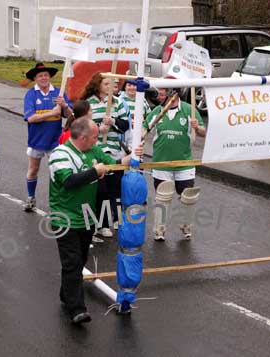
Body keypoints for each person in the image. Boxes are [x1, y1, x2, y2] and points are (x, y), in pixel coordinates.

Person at [48, 118, 143, 324]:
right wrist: (95, 172)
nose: (96, 140)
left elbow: (112, 165)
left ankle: (66, 294)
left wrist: (131, 157)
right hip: (65, 218)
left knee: (80, 261)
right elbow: (69, 181)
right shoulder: (60, 154)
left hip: (87, 217)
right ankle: (77, 309)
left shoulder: (94, 151)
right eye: (94, 137)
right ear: (82, 137)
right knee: (72, 263)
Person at [142, 87, 206, 241]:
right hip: (161, 163)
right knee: (163, 196)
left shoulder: (188, 110)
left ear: (174, 93)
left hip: (184, 163)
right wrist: (140, 139)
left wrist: (197, 126)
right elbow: (145, 128)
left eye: (163, 91)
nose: (160, 94)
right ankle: (159, 229)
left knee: (188, 197)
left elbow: (203, 132)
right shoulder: (157, 111)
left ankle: (186, 224)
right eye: (160, 91)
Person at [80, 72, 129, 239]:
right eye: (106, 84)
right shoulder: (89, 103)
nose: (110, 87)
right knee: (97, 190)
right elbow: (81, 124)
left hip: (114, 150)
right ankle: (90, 224)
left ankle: (104, 223)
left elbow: (125, 125)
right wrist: (99, 128)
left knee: (111, 190)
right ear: (98, 85)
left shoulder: (118, 103)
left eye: (112, 84)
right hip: (96, 150)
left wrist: (114, 121)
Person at [22, 63, 72, 211]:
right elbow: (30, 118)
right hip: (36, 140)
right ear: (35, 78)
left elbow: (71, 117)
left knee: (56, 172)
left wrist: (65, 106)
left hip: (55, 141)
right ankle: (31, 198)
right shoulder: (31, 94)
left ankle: (56, 202)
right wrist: (52, 113)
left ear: (50, 77)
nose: (43, 78)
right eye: (40, 76)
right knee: (33, 169)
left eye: (46, 75)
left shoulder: (58, 93)